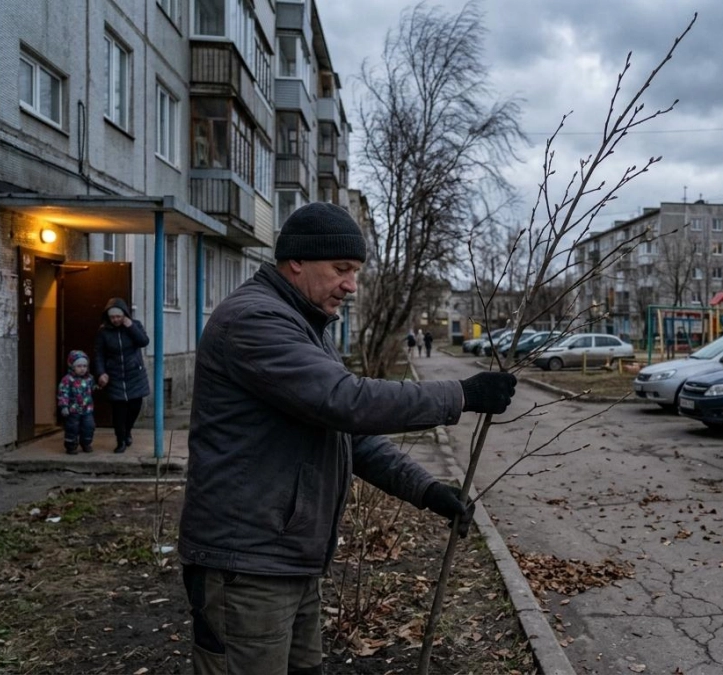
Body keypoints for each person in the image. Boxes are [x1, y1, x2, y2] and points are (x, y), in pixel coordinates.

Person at [178, 201, 517, 675]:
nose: (351, 285)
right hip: (246, 565)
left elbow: (345, 432)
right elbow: (347, 400)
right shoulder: (254, 321)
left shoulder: (306, 325)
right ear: (297, 260)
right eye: (341, 269)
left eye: (355, 271)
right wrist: (459, 395)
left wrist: (426, 490)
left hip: (286, 557)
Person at [93, 297, 150, 454]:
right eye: (112, 317)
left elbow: (144, 341)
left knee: (134, 407)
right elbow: (99, 354)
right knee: (118, 411)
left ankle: (128, 431)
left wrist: (130, 327)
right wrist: (101, 372)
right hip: (115, 375)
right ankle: (121, 441)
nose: (116, 320)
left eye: (118, 316)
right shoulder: (104, 332)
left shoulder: (135, 325)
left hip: (134, 374)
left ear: (124, 315)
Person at [57, 349, 96, 455]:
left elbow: (92, 389)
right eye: (79, 366)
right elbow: (63, 393)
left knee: (89, 426)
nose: (82, 369)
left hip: (87, 409)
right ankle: (71, 446)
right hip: (73, 410)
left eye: (84, 366)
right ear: (72, 366)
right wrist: (64, 406)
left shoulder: (89, 379)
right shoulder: (67, 379)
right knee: (72, 428)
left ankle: (86, 443)